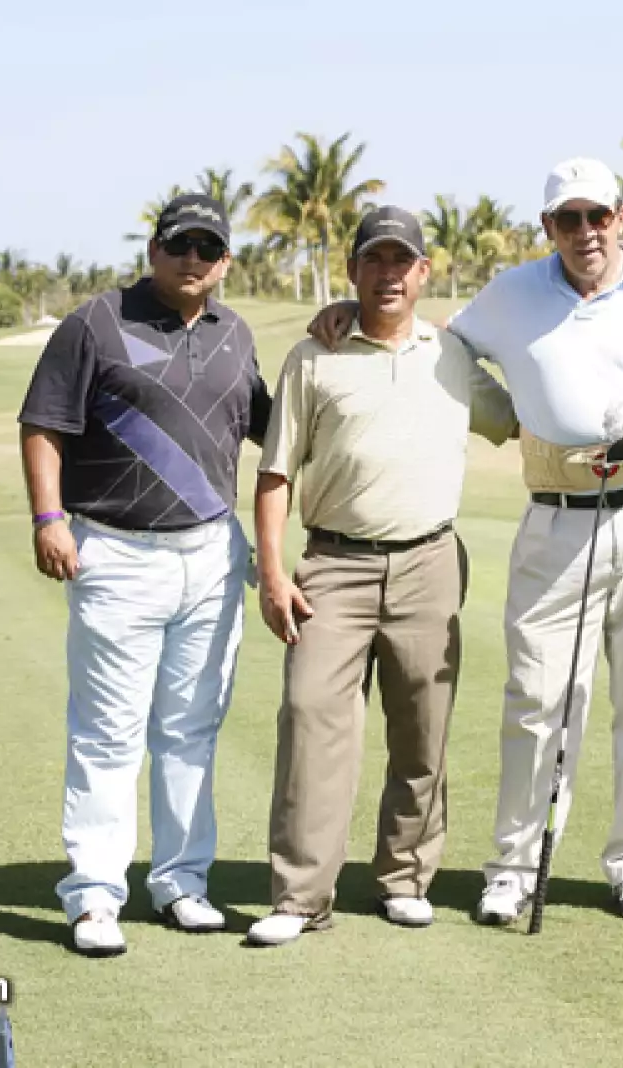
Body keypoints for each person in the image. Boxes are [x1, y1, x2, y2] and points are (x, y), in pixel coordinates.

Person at [311, 158, 623, 925]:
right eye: (567, 220)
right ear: (547, 228)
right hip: (556, 516)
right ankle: (512, 867)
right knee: (538, 700)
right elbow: (431, 340)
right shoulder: (511, 295)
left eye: (598, 216)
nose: (585, 233)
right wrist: (350, 307)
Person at [246, 207, 517, 947]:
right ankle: (301, 896)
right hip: (332, 563)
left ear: (423, 272)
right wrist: (273, 573)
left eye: (403, 261)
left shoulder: (451, 355)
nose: (389, 274)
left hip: (430, 561)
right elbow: (275, 473)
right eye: (375, 261)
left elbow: (522, 414)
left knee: (421, 728)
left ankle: (405, 878)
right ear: (354, 271)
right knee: (309, 717)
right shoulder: (314, 356)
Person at [18, 193, 271, 957]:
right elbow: (42, 424)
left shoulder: (235, 334)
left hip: (211, 554)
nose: (194, 258)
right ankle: (94, 896)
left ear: (225, 261)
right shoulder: (97, 322)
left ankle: (182, 883)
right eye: (180, 244)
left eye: (209, 247)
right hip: (118, 553)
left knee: (190, 729)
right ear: (154, 250)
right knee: (108, 734)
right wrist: (48, 519)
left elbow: (266, 423)